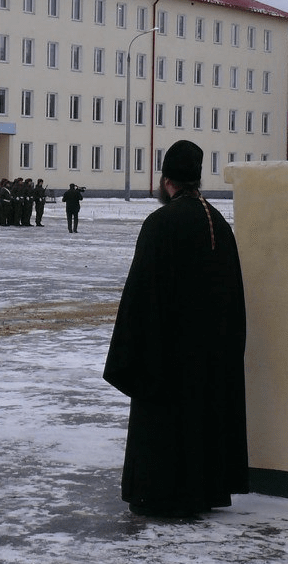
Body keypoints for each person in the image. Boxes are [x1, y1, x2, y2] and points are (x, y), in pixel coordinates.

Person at [103, 140, 248, 519]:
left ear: (167, 181)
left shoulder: (161, 223)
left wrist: (129, 355)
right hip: (209, 356)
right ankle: (205, 490)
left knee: (166, 428)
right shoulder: (218, 223)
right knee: (202, 421)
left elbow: (140, 296)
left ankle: (161, 495)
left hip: (166, 356)